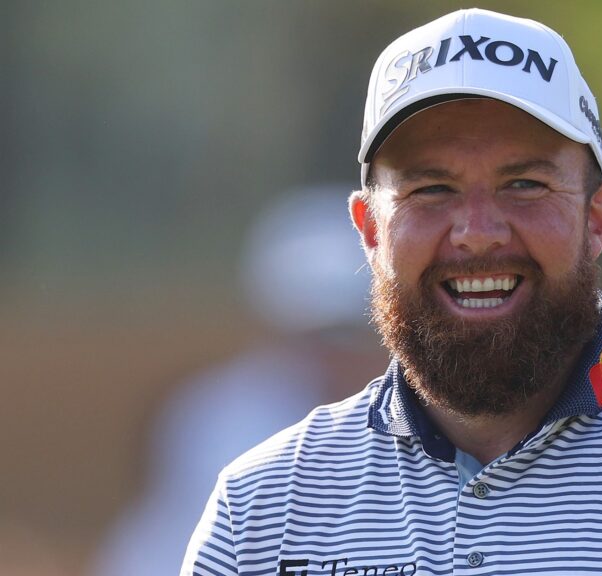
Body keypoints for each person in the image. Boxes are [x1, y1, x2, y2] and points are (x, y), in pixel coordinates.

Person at [181, 9, 602, 575]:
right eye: (431, 189)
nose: (476, 233)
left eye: (524, 185)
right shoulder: (264, 509)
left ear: (599, 219)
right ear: (370, 230)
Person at [93, 186, 384, 576]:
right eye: (314, 333)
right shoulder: (216, 426)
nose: (332, 354)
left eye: (349, 332)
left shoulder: (431, 427)